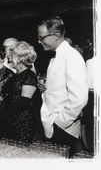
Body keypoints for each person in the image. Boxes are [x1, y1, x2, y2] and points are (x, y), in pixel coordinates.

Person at [37, 16, 88, 157]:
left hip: (62, 128)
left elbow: (79, 98)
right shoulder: (56, 55)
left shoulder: (72, 56)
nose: (39, 41)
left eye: (42, 38)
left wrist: (59, 122)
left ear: (56, 35)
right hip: (51, 124)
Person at [0, 41, 38, 143]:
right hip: (10, 121)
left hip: (22, 123)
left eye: (11, 56)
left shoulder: (29, 75)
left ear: (20, 58)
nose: (8, 58)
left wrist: (5, 114)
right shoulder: (15, 75)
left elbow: (24, 102)